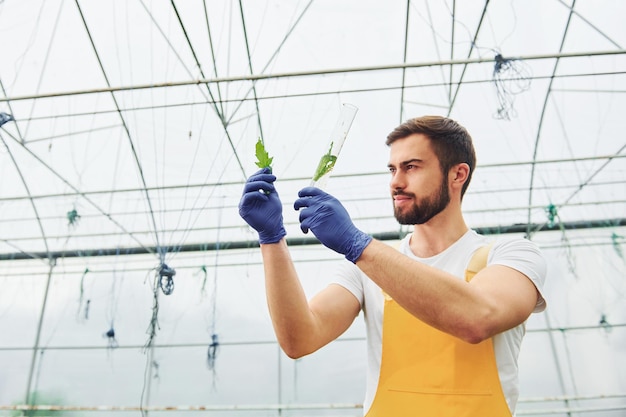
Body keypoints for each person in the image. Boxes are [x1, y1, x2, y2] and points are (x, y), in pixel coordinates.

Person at [238, 115, 547, 417]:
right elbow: (300, 339)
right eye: (392, 169)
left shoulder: (511, 255)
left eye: (411, 167)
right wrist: (271, 238)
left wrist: (357, 245)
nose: (396, 182)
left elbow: (477, 317)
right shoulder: (366, 270)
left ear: (458, 174)